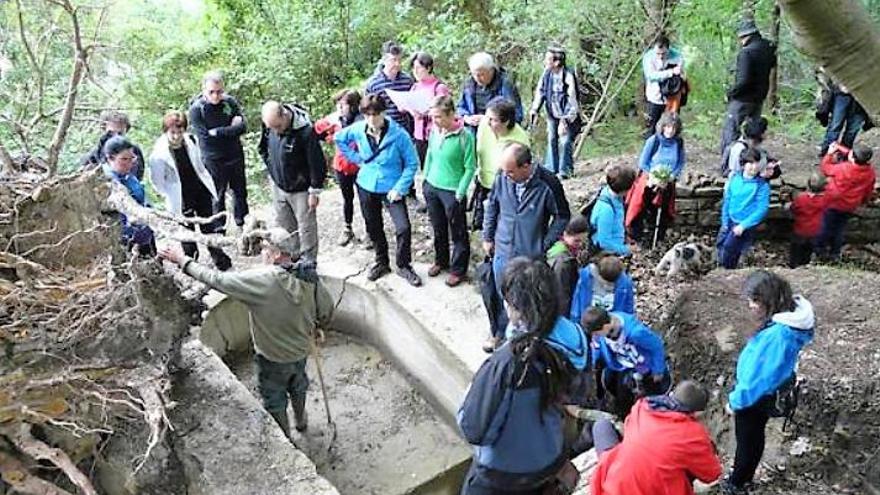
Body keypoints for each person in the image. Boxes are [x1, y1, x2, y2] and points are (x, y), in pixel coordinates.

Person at [158, 230, 334, 440]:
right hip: (300, 351)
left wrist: (182, 260)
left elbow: (217, 279)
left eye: (264, 249)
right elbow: (327, 309)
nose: (262, 253)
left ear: (275, 254)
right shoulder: (308, 276)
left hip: (272, 358)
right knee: (298, 386)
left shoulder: (263, 280)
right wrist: (314, 326)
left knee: (274, 399)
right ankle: (302, 422)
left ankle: (287, 441)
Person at [458, 258, 583, 495]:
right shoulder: (575, 340)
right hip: (549, 462)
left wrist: (470, 395)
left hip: (503, 475)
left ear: (515, 307)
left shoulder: (508, 363)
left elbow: (474, 429)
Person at [722, 270, 815, 495]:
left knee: (747, 441)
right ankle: (744, 476)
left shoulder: (777, 336)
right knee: (755, 437)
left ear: (769, 302)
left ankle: (736, 483)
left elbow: (757, 380)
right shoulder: (788, 324)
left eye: (755, 301)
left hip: (755, 399)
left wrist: (735, 402)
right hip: (768, 394)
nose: (750, 305)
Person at [482, 143, 570, 351]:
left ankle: (524, 339)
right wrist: (487, 236)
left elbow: (562, 216)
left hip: (529, 256)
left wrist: (543, 245)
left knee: (526, 299)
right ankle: (499, 332)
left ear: (526, 166)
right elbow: (492, 205)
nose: (506, 175)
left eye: (511, 171)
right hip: (502, 250)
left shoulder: (548, 183)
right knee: (500, 294)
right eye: (504, 171)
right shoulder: (502, 177)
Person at [334, 95, 422, 286]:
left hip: (392, 186)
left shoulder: (399, 135)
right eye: (367, 114)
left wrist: (400, 187)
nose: (371, 119)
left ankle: (404, 265)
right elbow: (339, 138)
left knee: (403, 227)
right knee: (373, 226)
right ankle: (382, 261)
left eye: (376, 114)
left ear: (384, 113)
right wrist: (356, 158)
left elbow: (412, 163)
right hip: (366, 184)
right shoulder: (358, 129)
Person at [591, 380, 722, 495]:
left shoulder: (642, 407)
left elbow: (628, 428)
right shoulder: (692, 435)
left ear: (671, 395)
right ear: (697, 413)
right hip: (655, 489)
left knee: (601, 426)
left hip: (611, 483)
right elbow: (712, 474)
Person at [149, 111, 232, 270]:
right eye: (172, 132)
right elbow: (157, 181)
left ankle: (220, 260)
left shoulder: (191, 140)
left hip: (199, 189)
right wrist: (169, 193)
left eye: (179, 132)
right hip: (179, 195)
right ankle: (191, 264)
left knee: (209, 225)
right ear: (165, 131)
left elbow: (199, 165)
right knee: (186, 233)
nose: (176, 136)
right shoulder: (158, 154)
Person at [259, 100, 326, 265]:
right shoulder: (269, 126)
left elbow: (317, 163)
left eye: (277, 126)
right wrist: (273, 171)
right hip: (279, 186)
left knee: (306, 226)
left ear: (284, 115)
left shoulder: (305, 131)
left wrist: (314, 190)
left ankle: (309, 261)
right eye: (271, 127)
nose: (275, 130)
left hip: (301, 189)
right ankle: (292, 257)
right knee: (285, 225)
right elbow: (262, 147)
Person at [423, 95, 476, 287]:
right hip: (433, 186)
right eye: (433, 117)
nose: (435, 121)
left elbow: (470, 167)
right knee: (438, 228)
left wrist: (460, 193)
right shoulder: (434, 132)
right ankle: (441, 260)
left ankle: (458, 269)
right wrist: (425, 179)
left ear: (451, 114)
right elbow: (429, 154)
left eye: (439, 117)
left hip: (452, 190)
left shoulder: (465, 137)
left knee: (458, 232)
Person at [581, 307, 671, 418]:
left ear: (606, 326)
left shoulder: (636, 333)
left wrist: (658, 370)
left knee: (651, 400)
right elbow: (598, 347)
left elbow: (656, 346)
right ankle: (624, 416)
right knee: (618, 392)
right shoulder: (603, 329)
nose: (596, 336)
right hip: (622, 366)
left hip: (645, 368)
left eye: (597, 333)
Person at [188, 71, 249, 228]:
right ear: (204, 91)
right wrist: (230, 129)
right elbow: (205, 137)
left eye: (219, 92)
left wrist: (218, 132)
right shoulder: (197, 109)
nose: (216, 96)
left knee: (240, 192)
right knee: (217, 195)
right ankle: (218, 228)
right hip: (213, 158)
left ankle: (243, 224)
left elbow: (242, 127)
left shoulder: (229, 103)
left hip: (234, 154)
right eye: (212, 92)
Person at [626, 112, 685, 246]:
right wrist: (653, 176)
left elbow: (680, 163)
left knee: (662, 211)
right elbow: (643, 162)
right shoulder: (654, 141)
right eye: (668, 127)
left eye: (673, 128)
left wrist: (672, 176)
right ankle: (639, 237)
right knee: (642, 208)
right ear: (662, 126)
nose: (670, 131)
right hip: (649, 181)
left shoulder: (679, 143)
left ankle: (657, 237)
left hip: (668, 182)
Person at [314, 89, 364, 247]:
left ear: (353, 106)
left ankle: (370, 231)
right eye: (338, 104)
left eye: (343, 104)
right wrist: (325, 132)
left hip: (360, 166)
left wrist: (338, 132)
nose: (340, 108)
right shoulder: (336, 119)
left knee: (366, 200)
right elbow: (318, 133)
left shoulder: (361, 120)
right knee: (347, 198)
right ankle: (347, 228)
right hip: (342, 165)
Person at [719, 20, 777, 155]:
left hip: (743, 99)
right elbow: (772, 66)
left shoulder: (746, 53)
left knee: (731, 130)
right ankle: (752, 159)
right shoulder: (768, 48)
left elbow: (743, 81)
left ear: (745, 36)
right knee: (753, 132)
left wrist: (731, 93)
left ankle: (728, 164)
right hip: (759, 97)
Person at [472, 97, 530, 231]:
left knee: (502, 226)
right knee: (484, 225)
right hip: (483, 182)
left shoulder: (520, 140)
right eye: (487, 118)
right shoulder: (484, 127)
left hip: (506, 188)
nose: (488, 122)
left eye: (493, 119)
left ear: (506, 121)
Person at [815, 142, 876, 261]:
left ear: (852, 157)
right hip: (849, 205)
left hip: (832, 202)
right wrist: (865, 201)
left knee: (825, 226)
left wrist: (829, 154)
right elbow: (869, 190)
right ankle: (835, 253)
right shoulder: (870, 173)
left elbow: (826, 168)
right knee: (839, 229)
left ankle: (819, 250)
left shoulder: (843, 168)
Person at [529, 46, 580, 179]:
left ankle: (565, 171)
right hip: (552, 114)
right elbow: (540, 91)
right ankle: (551, 170)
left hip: (567, 115)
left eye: (548, 59)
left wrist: (566, 120)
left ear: (557, 62)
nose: (545, 62)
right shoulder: (546, 74)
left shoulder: (568, 75)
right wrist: (535, 109)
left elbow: (572, 99)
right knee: (552, 139)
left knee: (565, 140)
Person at [717, 148, 770, 269]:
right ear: (743, 164)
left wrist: (743, 225)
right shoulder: (735, 179)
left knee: (730, 249)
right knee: (721, 245)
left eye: (756, 163)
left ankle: (728, 272)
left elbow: (761, 209)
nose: (754, 166)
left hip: (743, 225)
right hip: (730, 220)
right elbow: (728, 200)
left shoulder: (762, 186)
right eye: (750, 163)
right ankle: (720, 269)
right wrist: (724, 221)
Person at [103, 135, 155, 256]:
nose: (130, 163)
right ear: (110, 158)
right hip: (125, 241)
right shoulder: (106, 181)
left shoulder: (129, 176)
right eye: (124, 159)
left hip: (144, 234)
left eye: (132, 158)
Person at [458, 52, 524, 132]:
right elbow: (460, 108)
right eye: (474, 74)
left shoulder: (505, 85)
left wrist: (489, 119)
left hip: (498, 134)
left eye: (481, 74)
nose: (477, 78)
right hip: (474, 133)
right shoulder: (469, 85)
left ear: (491, 70)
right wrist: (467, 118)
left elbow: (516, 115)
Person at [409, 52, 451, 165]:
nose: (415, 71)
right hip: (419, 135)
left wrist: (426, 112)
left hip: (435, 133)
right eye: (413, 68)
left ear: (428, 68)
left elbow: (445, 110)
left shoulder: (439, 87)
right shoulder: (415, 87)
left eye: (418, 68)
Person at [365, 41, 416, 135]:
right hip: (382, 132)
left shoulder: (407, 81)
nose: (397, 64)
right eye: (393, 60)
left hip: (404, 131)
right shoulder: (373, 83)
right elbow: (368, 109)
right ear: (384, 60)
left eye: (399, 60)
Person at [569, 254, 636, 325]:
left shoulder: (625, 283)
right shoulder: (586, 277)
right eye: (606, 282)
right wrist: (575, 324)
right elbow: (577, 304)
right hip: (586, 324)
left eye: (612, 284)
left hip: (610, 328)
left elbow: (628, 310)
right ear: (598, 274)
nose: (608, 287)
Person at [80, 110, 146, 181]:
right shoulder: (94, 155)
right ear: (104, 130)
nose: (115, 136)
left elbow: (139, 176)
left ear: (126, 131)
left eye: (120, 133)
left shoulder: (135, 151)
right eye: (110, 133)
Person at [641, 34, 686, 138]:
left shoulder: (677, 56)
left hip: (672, 97)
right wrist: (670, 72)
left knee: (672, 126)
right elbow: (650, 76)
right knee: (652, 126)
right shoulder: (648, 57)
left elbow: (681, 74)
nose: (660, 56)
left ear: (668, 49)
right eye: (658, 53)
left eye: (663, 53)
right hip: (655, 97)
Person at [546, 215, 589, 316]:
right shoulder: (563, 262)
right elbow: (561, 293)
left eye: (583, 241)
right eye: (577, 241)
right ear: (565, 234)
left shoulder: (558, 247)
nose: (580, 245)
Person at [591, 165, 638, 256]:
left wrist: (624, 237)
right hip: (606, 255)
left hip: (617, 244)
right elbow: (604, 242)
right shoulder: (606, 210)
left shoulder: (613, 195)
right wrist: (626, 249)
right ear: (624, 190)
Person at [819, 81, 870, 156]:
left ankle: (844, 154)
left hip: (862, 98)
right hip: (842, 94)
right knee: (835, 125)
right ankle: (827, 152)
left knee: (852, 130)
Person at [787, 172, 827, 268]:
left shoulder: (801, 199)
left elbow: (793, 208)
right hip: (817, 232)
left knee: (796, 253)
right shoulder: (827, 200)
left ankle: (793, 266)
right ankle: (807, 264)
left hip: (800, 232)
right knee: (811, 252)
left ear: (808, 185)